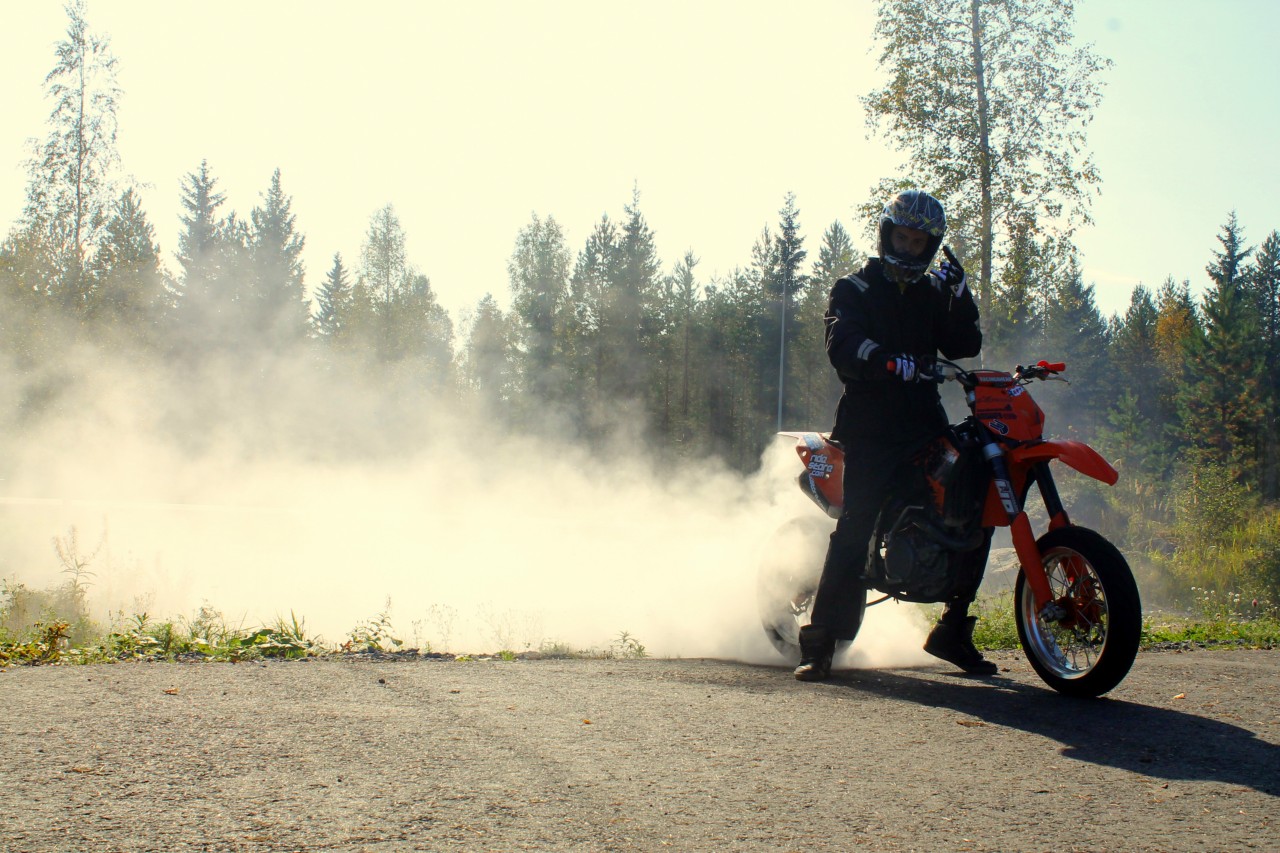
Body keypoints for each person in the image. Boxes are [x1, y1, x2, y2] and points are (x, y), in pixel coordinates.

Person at [794, 189, 995, 682]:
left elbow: (965, 344)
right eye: (901, 237)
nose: (907, 248)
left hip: (924, 423)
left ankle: (952, 630)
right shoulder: (855, 288)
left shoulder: (933, 294)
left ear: (930, 246)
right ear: (886, 234)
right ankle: (819, 642)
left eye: (918, 242)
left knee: (973, 508)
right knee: (856, 523)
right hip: (870, 427)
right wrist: (885, 360)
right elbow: (841, 343)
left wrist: (961, 295)